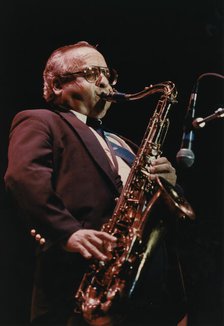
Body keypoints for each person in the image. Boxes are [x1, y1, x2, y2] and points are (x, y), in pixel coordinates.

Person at [4, 41, 188, 325]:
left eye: (107, 74)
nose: (106, 83)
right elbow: (24, 176)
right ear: (56, 85)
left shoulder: (125, 143)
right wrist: (67, 232)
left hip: (147, 289)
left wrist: (169, 183)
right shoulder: (40, 121)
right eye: (92, 73)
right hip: (83, 283)